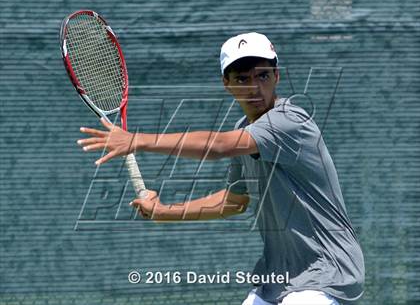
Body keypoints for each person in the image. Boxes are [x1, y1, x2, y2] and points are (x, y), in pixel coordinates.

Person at [77, 32, 364, 304]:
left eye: (263, 75)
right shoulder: (245, 129)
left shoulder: (289, 121)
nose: (254, 87)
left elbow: (218, 146)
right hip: (278, 278)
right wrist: (165, 211)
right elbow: (234, 201)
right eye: (242, 78)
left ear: (277, 76)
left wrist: (136, 141)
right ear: (226, 83)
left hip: (325, 271)